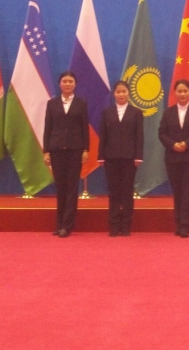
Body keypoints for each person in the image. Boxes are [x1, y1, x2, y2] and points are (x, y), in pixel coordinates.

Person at [158, 79, 189, 238]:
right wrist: (173, 145)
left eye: (185, 91)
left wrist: (187, 143)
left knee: (188, 191)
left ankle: (186, 225)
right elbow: (162, 133)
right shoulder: (168, 112)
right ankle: (178, 223)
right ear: (175, 93)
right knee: (177, 191)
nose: (182, 94)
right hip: (172, 157)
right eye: (179, 91)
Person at [43, 71, 89, 238]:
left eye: (70, 81)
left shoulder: (81, 103)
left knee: (71, 187)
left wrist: (86, 150)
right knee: (60, 187)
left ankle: (67, 226)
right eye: (65, 81)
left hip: (75, 150)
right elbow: (48, 127)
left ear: (75, 84)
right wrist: (46, 151)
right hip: (56, 150)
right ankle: (59, 224)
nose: (67, 84)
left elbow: (84, 128)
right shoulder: (52, 104)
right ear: (60, 84)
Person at [98, 80, 144, 237]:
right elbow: (103, 135)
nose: (121, 94)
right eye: (118, 92)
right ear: (114, 94)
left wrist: (138, 156)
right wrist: (101, 156)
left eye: (124, 91)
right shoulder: (107, 112)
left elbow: (139, 136)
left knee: (127, 192)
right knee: (114, 192)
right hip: (111, 157)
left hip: (130, 158)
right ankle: (114, 225)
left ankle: (126, 226)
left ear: (128, 93)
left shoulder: (136, 112)